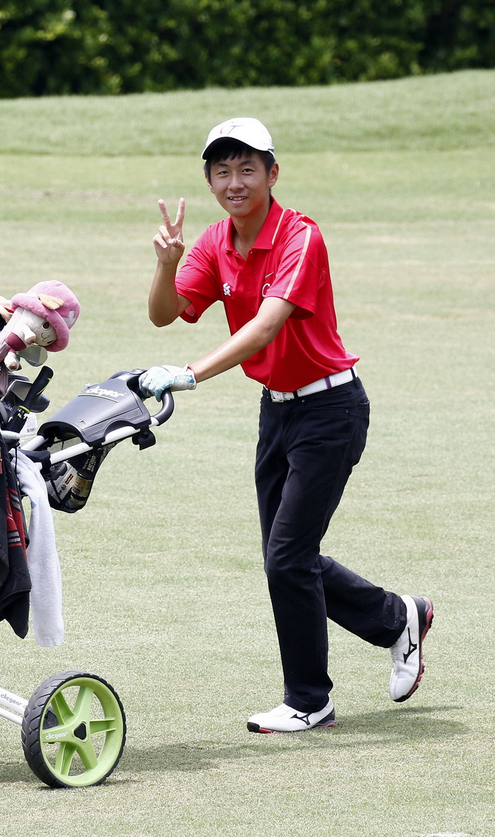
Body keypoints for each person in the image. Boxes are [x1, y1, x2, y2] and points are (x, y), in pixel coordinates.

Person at [140, 116, 433, 733]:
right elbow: (166, 315)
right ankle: (397, 617)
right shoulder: (215, 241)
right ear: (210, 179)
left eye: (248, 168)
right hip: (277, 411)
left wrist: (191, 375)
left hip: (331, 410)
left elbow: (266, 326)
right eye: (222, 170)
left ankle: (309, 699)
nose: (235, 181)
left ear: (273, 173)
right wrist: (166, 265)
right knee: (289, 557)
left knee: (287, 558)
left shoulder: (301, 235)